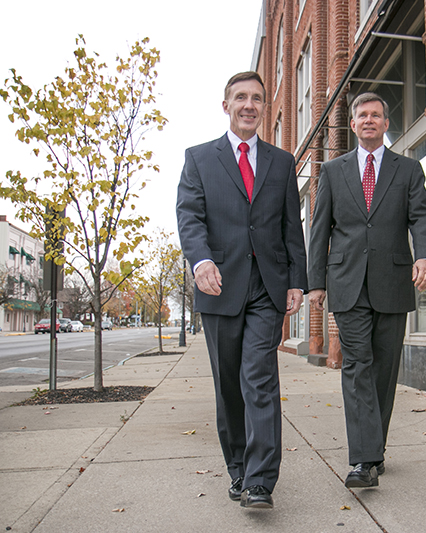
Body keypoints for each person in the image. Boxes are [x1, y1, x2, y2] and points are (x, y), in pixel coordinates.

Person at [176, 71, 307, 509]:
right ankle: (237, 468)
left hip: (266, 290)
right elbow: (189, 217)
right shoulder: (199, 159)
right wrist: (201, 260)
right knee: (229, 385)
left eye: (256, 98)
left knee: (259, 379)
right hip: (218, 287)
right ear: (226, 105)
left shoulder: (282, 162)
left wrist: (296, 281)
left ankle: (260, 481)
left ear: (263, 107)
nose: (248, 105)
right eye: (240, 98)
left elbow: (293, 227)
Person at [308, 92, 426, 488]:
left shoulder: (409, 169)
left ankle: (373, 448)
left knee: (383, 372)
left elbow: (422, 217)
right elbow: (319, 229)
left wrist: (425, 258)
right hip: (347, 283)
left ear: (385, 123)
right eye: (362, 115)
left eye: (376, 115)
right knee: (357, 368)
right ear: (353, 124)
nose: (368, 120)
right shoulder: (332, 171)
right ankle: (363, 460)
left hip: (392, 282)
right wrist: (315, 284)